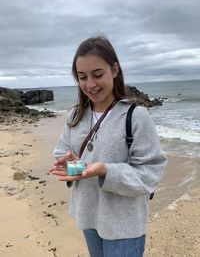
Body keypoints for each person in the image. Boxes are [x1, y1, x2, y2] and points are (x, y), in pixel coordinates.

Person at [49, 36, 166, 257]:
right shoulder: (75, 115)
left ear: (114, 69)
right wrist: (69, 164)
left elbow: (150, 174)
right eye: (82, 77)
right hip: (89, 215)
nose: (90, 84)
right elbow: (62, 151)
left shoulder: (136, 116)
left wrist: (105, 170)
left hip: (124, 224)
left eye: (97, 74)